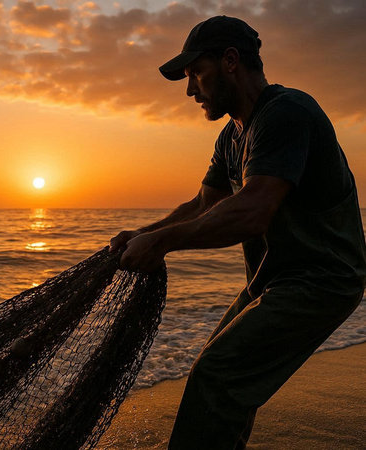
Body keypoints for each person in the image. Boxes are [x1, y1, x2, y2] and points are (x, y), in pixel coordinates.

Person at [109, 15, 366, 449]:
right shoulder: (231, 135)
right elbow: (205, 203)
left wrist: (165, 242)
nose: (190, 90)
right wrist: (145, 231)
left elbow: (252, 211)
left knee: (219, 375)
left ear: (230, 61)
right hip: (272, 279)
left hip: (323, 279)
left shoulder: (287, 114)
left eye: (195, 74)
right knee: (220, 375)